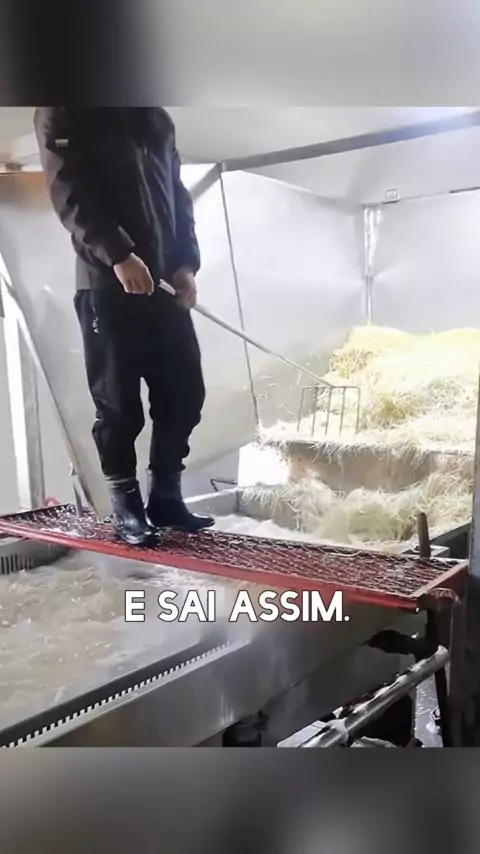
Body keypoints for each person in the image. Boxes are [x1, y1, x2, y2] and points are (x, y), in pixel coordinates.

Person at [34, 107, 214, 546]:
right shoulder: (64, 106)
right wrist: (117, 254)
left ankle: (166, 495)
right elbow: (69, 191)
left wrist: (186, 263)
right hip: (107, 284)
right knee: (118, 404)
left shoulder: (153, 116)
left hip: (164, 283)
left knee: (185, 392)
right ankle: (126, 506)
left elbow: (177, 195)